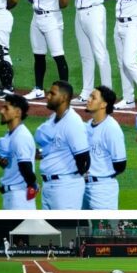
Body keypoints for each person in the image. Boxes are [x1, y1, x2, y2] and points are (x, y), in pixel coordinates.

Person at [69, 0, 113, 104]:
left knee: (100, 53)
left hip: (94, 12)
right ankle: (86, 93)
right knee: (85, 55)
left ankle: (107, 94)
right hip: (79, 14)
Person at [35, 81, 89, 209]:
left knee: (65, 228)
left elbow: (84, 158)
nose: (48, 96)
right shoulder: (54, 118)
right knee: (50, 228)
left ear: (64, 98)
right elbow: (58, 147)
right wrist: (41, 152)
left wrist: (73, 178)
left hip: (65, 187)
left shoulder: (72, 121)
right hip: (49, 186)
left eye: (52, 93)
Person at [26, 0, 70, 100]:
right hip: (36, 18)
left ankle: (65, 93)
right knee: (38, 55)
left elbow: (65, 2)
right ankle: (38, 89)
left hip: (51, 19)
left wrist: (50, 8)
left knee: (58, 56)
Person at [83, 85, 126, 209]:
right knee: (82, 227)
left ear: (103, 105)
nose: (88, 99)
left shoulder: (111, 128)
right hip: (83, 186)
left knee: (105, 227)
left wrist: (102, 174)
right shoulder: (87, 126)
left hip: (102, 189)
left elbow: (120, 164)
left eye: (93, 97)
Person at [0, 94, 38, 209]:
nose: (1, 111)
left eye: (6, 108)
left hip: (19, 198)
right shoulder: (11, 135)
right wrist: (3, 163)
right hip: (12, 195)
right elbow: (16, 165)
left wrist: (33, 185)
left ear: (18, 112)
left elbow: (25, 166)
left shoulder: (21, 136)